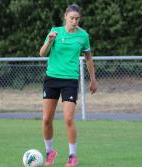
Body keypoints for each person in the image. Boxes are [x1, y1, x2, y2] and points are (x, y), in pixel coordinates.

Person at [39, 4, 97, 166]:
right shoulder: (55, 32)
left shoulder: (83, 36)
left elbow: (88, 58)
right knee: (46, 119)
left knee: (68, 118)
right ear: (65, 17)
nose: (74, 21)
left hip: (70, 80)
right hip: (51, 79)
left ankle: (72, 155)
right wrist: (49, 41)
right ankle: (50, 152)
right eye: (72, 18)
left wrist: (93, 79)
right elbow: (42, 53)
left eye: (77, 19)